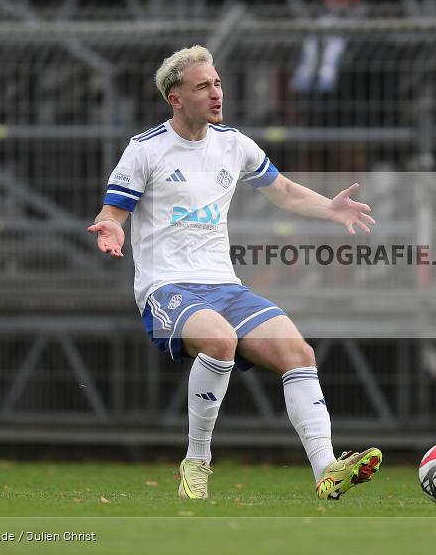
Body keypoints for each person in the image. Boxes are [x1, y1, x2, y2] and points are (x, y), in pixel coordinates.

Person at [88, 46, 381, 500]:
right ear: (176, 98)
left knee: (299, 354)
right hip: (166, 286)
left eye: (218, 83)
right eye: (203, 86)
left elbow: (281, 189)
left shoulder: (234, 144)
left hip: (225, 286)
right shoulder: (144, 150)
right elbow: (113, 211)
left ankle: (327, 470)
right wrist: (111, 229)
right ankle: (197, 461)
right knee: (221, 342)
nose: (216, 93)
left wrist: (329, 208)